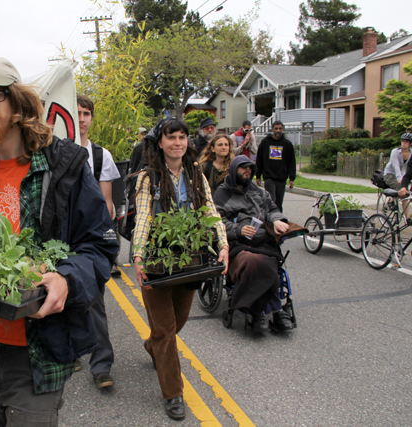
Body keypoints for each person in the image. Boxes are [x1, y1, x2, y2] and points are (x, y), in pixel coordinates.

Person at [0, 56, 119, 426]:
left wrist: (66, 278)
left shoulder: (65, 165)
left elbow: (100, 245)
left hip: (38, 349)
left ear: (18, 101)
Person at [132, 117, 229, 421]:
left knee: (177, 324)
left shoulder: (195, 173)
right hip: (158, 261)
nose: (177, 142)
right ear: (160, 142)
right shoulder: (148, 177)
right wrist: (137, 255)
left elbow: (210, 209)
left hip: (192, 258)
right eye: (171, 137)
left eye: (182, 137)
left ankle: (153, 347)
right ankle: (173, 393)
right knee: (165, 329)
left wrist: (223, 243)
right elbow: (145, 218)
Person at [213, 155, 295, 332]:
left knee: (270, 259)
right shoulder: (222, 194)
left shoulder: (259, 192)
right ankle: (265, 310)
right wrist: (238, 229)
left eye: (250, 168)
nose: (247, 171)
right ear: (235, 170)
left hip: (261, 242)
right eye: (243, 168)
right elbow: (216, 222)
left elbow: (272, 209)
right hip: (236, 245)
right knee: (257, 262)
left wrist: (277, 220)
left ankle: (269, 310)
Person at [75, 94, 120, 388]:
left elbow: (106, 203)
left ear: (92, 118)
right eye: (76, 112)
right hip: (58, 236)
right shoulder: (51, 151)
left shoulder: (101, 156)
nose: (81, 119)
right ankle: (67, 350)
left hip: (89, 236)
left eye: (86, 113)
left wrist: (104, 243)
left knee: (95, 300)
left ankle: (101, 364)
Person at [255, 121, 296, 212]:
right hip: (269, 177)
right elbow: (259, 159)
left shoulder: (287, 144)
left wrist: (292, 178)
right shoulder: (265, 142)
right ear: (272, 129)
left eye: (280, 129)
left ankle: (279, 219)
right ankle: (270, 220)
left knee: (279, 202)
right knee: (271, 200)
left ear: (283, 130)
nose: (278, 130)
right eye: (276, 128)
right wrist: (258, 175)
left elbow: (291, 162)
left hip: (281, 178)